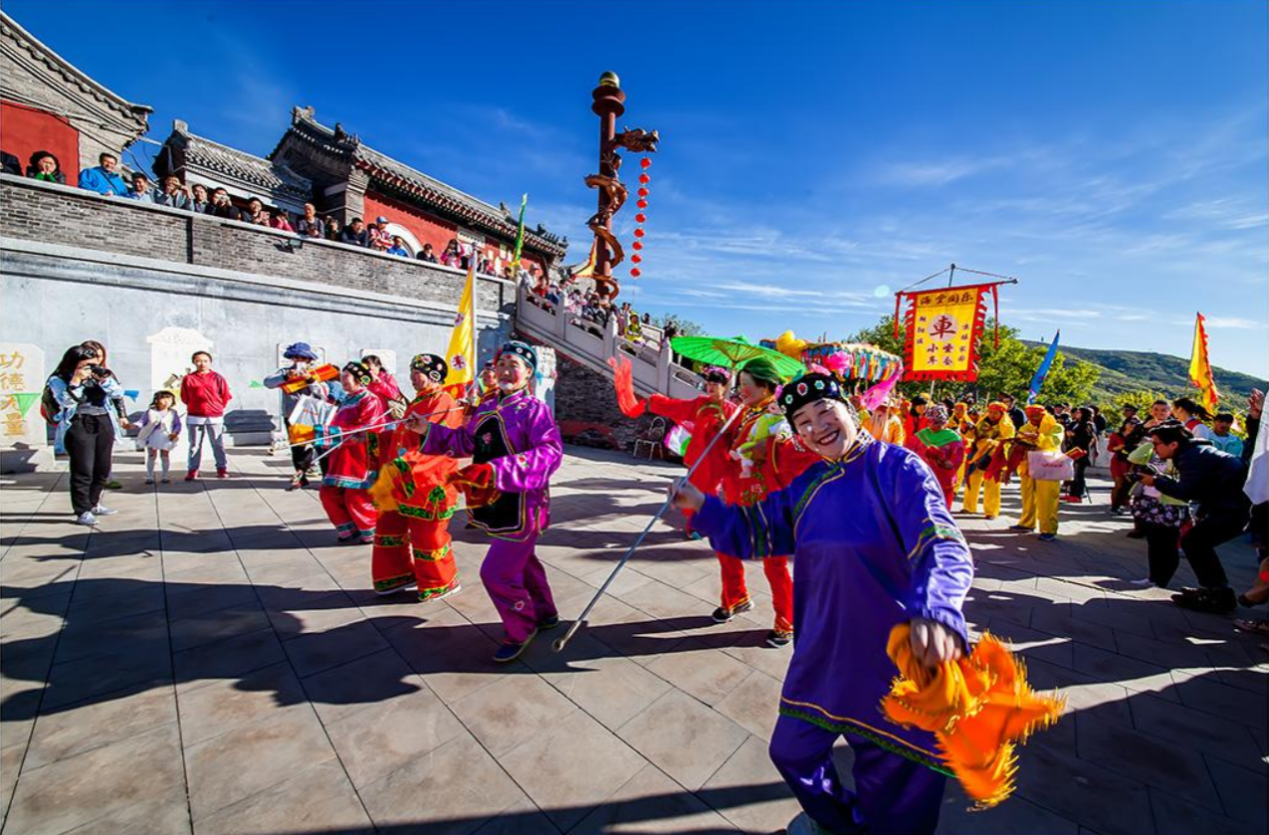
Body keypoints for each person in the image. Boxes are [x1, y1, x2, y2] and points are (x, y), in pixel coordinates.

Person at [671, 372, 973, 835]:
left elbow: (943, 545)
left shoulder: (897, 468)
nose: (817, 426)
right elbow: (760, 530)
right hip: (823, 651)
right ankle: (840, 822)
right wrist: (703, 506)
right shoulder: (811, 480)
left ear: (850, 410)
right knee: (791, 751)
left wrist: (936, 612)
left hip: (895, 656)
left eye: (825, 411)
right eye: (803, 421)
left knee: (895, 782)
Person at [408, 341, 563, 662]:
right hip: (495, 502)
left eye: (514, 364)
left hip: (523, 504)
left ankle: (522, 627)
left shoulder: (535, 409)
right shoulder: (488, 406)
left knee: (496, 573)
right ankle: (546, 613)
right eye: (500, 364)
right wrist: (427, 429)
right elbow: (466, 442)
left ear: (528, 373)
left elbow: (551, 453)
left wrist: (499, 469)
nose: (505, 370)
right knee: (524, 562)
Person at [713, 357, 818, 647]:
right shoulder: (744, 412)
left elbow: (794, 447)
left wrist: (767, 448)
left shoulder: (779, 415)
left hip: (765, 498)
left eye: (747, 385)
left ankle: (787, 621)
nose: (741, 389)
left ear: (766, 387)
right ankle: (735, 598)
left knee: (774, 564)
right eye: (740, 384)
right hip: (735, 494)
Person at [368, 353, 464, 599]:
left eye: (418, 371)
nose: (413, 377)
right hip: (402, 476)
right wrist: (374, 437)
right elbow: (404, 437)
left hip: (429, 480)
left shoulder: (444, 401)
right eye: (411, 371)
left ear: (434, 374)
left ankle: (441, 581)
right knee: (389, 525)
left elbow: (441, 442)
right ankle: (395, 575)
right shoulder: (418, 401)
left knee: (427, 534)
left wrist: (404, 464)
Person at [1141, 421, 1251, 613]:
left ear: (1173, 444)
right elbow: (1208, 486)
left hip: (1237, 508)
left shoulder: (1191, 457)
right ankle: (1214, 590)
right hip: (1234, 506)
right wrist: (1202, 513)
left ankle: (1217, 593)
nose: (1154, 448)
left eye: (1157, 443)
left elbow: (1187, 491)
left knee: (1194, 541)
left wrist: (1156, 481)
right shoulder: (1196, 453)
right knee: (1196, 541)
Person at [47, 345, 125, 525]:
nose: (90, 368)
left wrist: (103, 380)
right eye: (85, 365)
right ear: (73, 364)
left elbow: (117, 393)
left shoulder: (102, 374)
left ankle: (94, 502)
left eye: (93, 363)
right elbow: (65, 401)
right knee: (83, 469)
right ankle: (82, 510)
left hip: (103, 421)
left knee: (103, 468)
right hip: (79, 422)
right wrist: (76, 380)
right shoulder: (58, 379)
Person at [314, 362, 388, 544]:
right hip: (341, 455)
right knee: (328, 493)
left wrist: (334, 433)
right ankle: (348, 528)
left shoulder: (369, 399)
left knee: (356, 496)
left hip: (360, 457)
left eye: (346, 377)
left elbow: (370, 428)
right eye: (342, 377)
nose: (342, 381)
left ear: (358, 378)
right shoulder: (347, 399)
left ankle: (370, 531)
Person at [1125, 429, 1190, 588]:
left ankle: (1162, 580)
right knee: (1153, 541)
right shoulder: (1153, 451)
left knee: (1167, 543)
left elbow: (1178, 482)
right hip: (1150, 500)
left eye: (1157, 442)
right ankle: (1153, 577)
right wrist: (1151, 443)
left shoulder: (1183, 458)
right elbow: (1133, 457)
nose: (1155, 446)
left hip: (1170, 503)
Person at [265, 343, 328, 490]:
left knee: (321, 446)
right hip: (293, 415)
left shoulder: (317, 372)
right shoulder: (285, 371)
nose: (299, 360)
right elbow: (268, 382)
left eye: (303, 357)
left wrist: (310, 380)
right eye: (296, 357)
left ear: (308, 359)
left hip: (314, 415)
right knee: (298, 447)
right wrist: (286, 376)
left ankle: (327, 477)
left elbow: (323, 393)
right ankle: (301, 476)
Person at [1010, 404, 1064, 541]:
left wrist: (1037, 437)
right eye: (1029, 416)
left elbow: (1052, 443)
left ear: (1043, 415)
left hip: (1048, 467)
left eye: (1035, 416)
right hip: (1028, 465)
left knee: (1047, 499)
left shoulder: (1056, 427)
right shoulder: (1026, 427)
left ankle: (1048, 529)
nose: (1032, 419)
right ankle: (1027, 523)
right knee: (1027, 495)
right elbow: (1021, 437)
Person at [180, 350, 233, 480]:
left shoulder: (218, 377)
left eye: (205, 361)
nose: (202, 363)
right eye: (198, 361)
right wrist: (194, 406)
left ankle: (221, 468)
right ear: (193, 362)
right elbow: (184, 397)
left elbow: (225, 395)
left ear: (210, 362)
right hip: (195, 416)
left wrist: (217, 407)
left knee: (217, 444)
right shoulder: (189, 378)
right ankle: (192, 469)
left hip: (214, 415)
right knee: (194, 445)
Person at [961, 401, 1015, 519]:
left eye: (995, 413)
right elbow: (972, 436)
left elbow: (1007, 441)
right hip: (977, 455)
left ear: (1002, 414)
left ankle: (991, 512)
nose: (992, 415)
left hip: (994, 457)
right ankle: (969, 507)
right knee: (972, 479)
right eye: (990, 412)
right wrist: (966, 429)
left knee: (992, 484)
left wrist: (991, 444)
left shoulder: (1007, 426)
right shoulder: (982, 422)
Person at [908, 404, 965, 510]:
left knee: (942, 504)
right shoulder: (921, 435)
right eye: (930, 422)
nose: (933, 426)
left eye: (937, 423)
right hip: (922, 475)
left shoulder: (953, 437)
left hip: (943, 477)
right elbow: (909, 452)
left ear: (944, 422)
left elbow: (957, 457)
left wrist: (948, 464)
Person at [136, 390, 182, 484]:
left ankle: (165, 476)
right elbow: (142, 422)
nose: (167, 401)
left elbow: (177, 424)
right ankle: (150, 476)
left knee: (165, 455)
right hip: (152, 435)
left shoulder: (173, 412)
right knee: (152, 455)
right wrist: (133, 426)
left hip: (166, 436)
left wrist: (175, 433)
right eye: (164, 398)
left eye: (170, 399)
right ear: (157, 400)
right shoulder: (150, 412)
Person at [1107, 411, 1144, 514]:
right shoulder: (1116, 435)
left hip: (1132, 463)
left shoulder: (1138, 436)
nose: (1132, 426)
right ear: (1125, 423)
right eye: (1130, 423)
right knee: (1119, 483)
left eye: (1135, 424)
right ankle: (1114, 506)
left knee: (1128, 484)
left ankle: (1123, 502)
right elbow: (1110, 448)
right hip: (1118, 461)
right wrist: (1118, 447)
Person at [1063, 406, 1097, 502]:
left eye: (1079, 412)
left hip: (1081, 451)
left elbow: (1088, 438)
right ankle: (1072, 493)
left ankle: (1079, 494)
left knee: (1079, 473)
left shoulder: (1088, 424)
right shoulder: (1074, 423)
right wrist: (1068, 433)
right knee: (1072, 472)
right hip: (1071, 449)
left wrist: (1074, 435)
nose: (1076, 413)